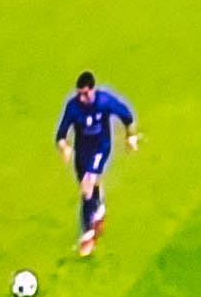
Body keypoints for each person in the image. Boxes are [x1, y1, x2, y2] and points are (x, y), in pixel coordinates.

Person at [55, 69, 139, 258]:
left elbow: (126, 116)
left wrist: (130, 136)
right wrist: (64, 147)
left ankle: (88, 234)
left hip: (101, 147)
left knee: (87, 186)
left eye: (85, 94)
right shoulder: (73, 107)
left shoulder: (104, 101)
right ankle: (99, 207)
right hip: (82, 152)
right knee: (89, 187)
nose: (82, 98)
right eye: (79, 94)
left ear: (93, 90)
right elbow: (61, 134)